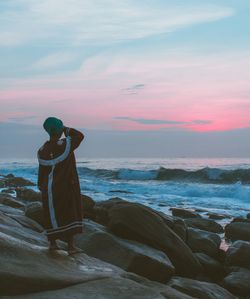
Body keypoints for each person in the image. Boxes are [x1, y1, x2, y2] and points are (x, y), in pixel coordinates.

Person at [37, 117, 84, 254]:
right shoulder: (65, 144)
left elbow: (42, 170)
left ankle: (52, 244)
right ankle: (70, 246)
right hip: (66, 185)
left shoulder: (42, 149)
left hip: (49, 188)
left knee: (51, 213)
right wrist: (65, 129)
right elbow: (79, 135)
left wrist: (40, 184)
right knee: (69, 212)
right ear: (59, 129)